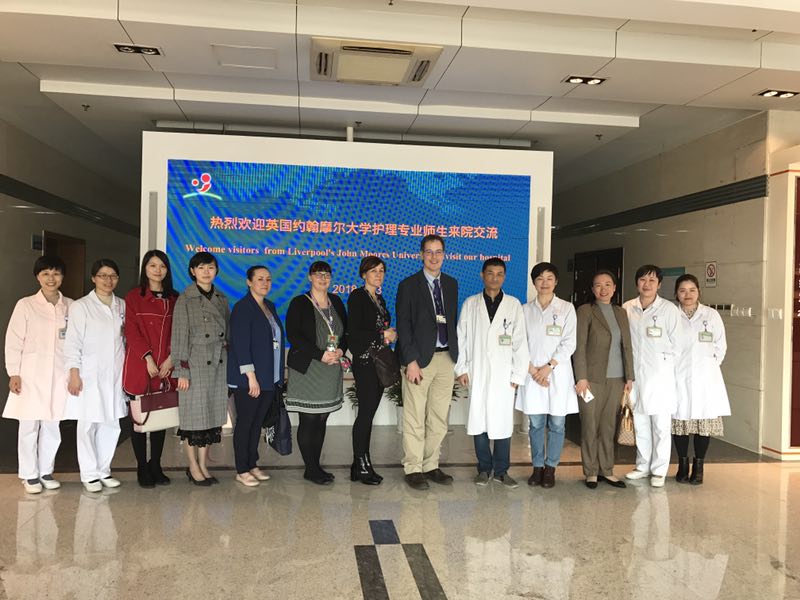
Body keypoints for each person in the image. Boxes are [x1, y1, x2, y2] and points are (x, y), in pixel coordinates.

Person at [455, 257, 529, 489]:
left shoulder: (513, 305)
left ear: (504, 277)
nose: (494, 278)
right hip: (477, 370)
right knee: (479, 421)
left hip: (503, 374)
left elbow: (520, 342)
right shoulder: (471, 304)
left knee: (502, 423)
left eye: (499, 274)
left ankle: (502, 471)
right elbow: (461, 338)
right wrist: (462, 368)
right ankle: (484, 469)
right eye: (490, 273)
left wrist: (518, 374)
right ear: (482, 275)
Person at [4, 256, 72, 494]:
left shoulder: (71, 306)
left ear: (62, 276)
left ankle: (45, 471)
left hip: (59, 375)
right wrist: (14, 372)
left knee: (53, 425)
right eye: (46, 274)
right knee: (29, 426)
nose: (51, 279)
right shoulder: (26, 305)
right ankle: (29, 474)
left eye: (56, 273)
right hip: (30, 375)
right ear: (38, 277)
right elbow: (13, 341)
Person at [396, 234, 459, 490]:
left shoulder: (451, 284)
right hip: (419, 361)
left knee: (439, 417)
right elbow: (403, 325)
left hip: (446, 359)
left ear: (444, 254)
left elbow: (451, 322)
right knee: (414, 417)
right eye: (429, 252)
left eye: (438, 251)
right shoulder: (408, 285)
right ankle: (413, 467)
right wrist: (410, 360)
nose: (434, 257)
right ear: (421, 254)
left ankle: (431, 464)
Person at [64, 258, 127, 492]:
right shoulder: (81, 306)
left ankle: (103, 470)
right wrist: (74, 373)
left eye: (113, 276)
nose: (108, 280)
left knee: (112, 422)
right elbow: (72, 342)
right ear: (93, 278)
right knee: (88, 424)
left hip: (115, 373)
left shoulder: (122, 305)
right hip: (89, 373)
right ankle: (89, 474)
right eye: (102, 275)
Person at [285, 261, 347, 485]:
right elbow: (294, 335)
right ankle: (310, 469)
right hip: (309, 369)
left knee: (322, 419)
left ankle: (316, 465)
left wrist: (341, 350)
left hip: (331, 369)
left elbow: (346, 332)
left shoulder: (336, 301)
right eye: (318, 274)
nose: (323, 278)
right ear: (310, 277)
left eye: (327, 274)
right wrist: (320, 355)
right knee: (309, 419)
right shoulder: (299, 302)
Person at [171, 251, 230, 486]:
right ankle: (192, 465)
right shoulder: (185, 298)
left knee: (210, 418)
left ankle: (204, 464)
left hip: (218, 364)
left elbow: (228, 334)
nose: (206, 272)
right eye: (201, 267)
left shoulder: (222, 298)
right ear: (192, 271)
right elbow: (179, 337)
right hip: (194, 365)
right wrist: (181, 371)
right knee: (193, 419)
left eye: (211, 267)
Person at [517, 262, 578, 489]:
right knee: (535, 424)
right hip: (532, 374)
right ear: (534, 282)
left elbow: (569, 342)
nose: (545, 283)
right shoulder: (524, 310)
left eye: (549, 278)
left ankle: (551, 468)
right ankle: (537, 467)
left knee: (557, 424)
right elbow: (519, 343)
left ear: (556, 281)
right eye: (540, 278)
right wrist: (533, 370)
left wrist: (548, 367)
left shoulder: (566, 308)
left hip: (557, 374)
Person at [574, 270, 635, 489]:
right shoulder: (585, 311)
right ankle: (591, 471)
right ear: (592, 289)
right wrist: (581, 377)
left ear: (614, 288)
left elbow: (627, 346)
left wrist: (629, 376)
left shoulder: (621, 313)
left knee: (608, 426)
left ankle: (607, 470)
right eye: (598, 285)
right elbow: (579, 346)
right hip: (591, 380)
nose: (603, 289)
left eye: (608, 284)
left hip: (617, 379)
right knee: (590, 425)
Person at [623, 264, 682, 488]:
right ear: (636, 283)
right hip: (634, 376)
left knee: (660, 426)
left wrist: (663, 365)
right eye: (642, 280)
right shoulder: (628, 307)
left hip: (660, 377)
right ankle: (642, 466)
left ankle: (659, 470)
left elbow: (678, 344)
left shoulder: (668, 309)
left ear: (659, 284)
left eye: (652, 280)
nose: (646, 285)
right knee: (640, 422)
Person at [122, 250, 177, 488]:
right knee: (139, 418)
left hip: (166, 365)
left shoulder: (175, 298)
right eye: (152, 265)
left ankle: (156, 464)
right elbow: (131, 330)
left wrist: (171, 359)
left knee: (160, 415)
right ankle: (142, 467)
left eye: (162, 266)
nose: (157, 270)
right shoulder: (134, 296)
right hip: (141, 364)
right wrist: (148, 358)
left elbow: (180, 331)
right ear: (145, 268)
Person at [228, 266, 285, 487]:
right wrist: (251, 377)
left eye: (268, 279)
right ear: (249, 282)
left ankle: (252, 464)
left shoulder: (269, 306)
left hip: (268, 377)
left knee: (257, 423)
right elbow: (240, 345)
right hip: (249, 380)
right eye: (260, 279)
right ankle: (241, 469)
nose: (265, 283)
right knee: (245, 423)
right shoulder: (243, 308)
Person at [673, 274, 730, 485]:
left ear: (699, 292)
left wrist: (709, 365)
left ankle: (699, 468)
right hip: (678, 375)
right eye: (682, 290)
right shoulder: (672, 314)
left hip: (706, 378)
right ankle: (682, 466)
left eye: (692, 290)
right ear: (676, 293)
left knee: (702, 425)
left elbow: (720, 345)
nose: (687, 295)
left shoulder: (711, 315)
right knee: (680, 423)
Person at [347, 256, 397, 485]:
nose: (378, 275)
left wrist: (388, 335)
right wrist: (382, 334)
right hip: (365, 363)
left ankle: (357, 466)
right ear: (363, 274)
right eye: (373, 271)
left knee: (369, 414)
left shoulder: (380, 299)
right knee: (365, 415)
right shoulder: (357, 297)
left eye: (381, 271)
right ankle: (362, 465)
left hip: (379, 362)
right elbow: (354, 333)